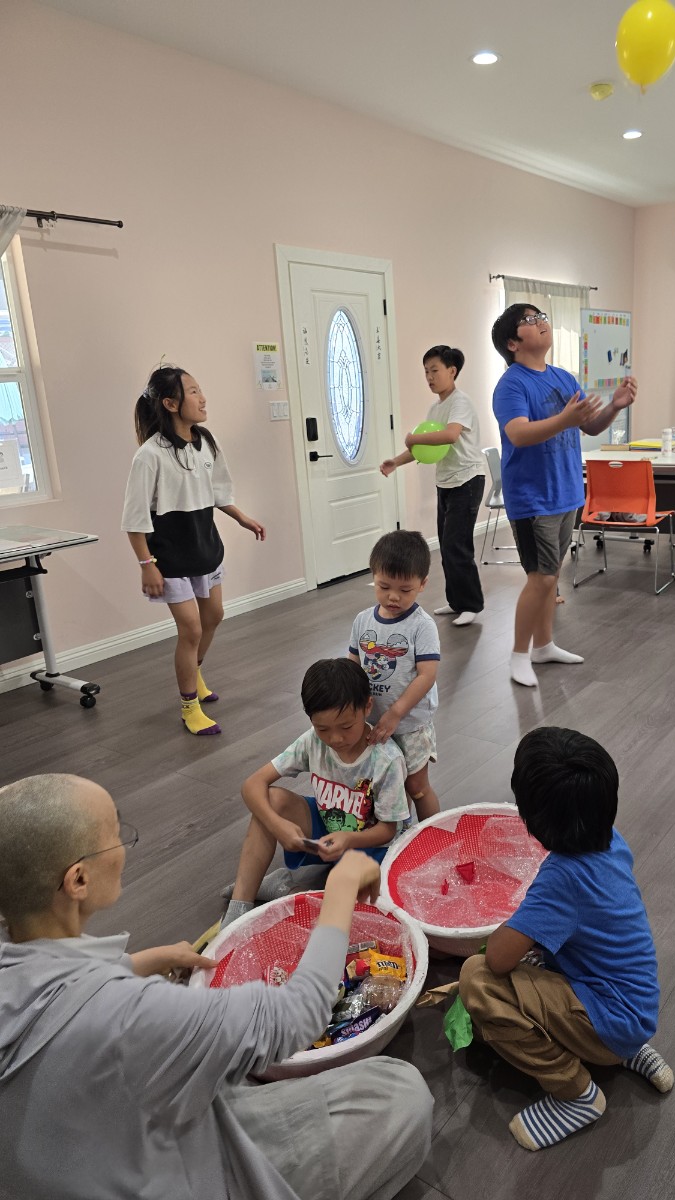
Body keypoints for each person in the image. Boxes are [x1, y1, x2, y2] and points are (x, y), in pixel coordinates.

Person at [0, 773, 432, 1200]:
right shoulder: (129, 1014)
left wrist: (138, 963)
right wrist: (340, 888)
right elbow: (302, 1011)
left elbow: (58, 999)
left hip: (105, 1152)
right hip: (174, 1171)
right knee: (401, 1092)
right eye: (114, 835)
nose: (123, 846)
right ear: (78, 880)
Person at [459, 727, 673, 1151]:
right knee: (536, 962)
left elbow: (498, 959)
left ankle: (576, 1093)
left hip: (610, 1019)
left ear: (531, 820)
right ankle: (626, 1050)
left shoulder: (562, 878)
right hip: (637, 1006)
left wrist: (517, 924)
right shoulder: (612, 840)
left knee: (477, 979)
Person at [490, 305, 637, 687]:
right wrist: (565, 420)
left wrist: (615, 405)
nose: (541, 322)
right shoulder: (511, 385)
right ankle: (518, 655)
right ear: (512, 343)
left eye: (541, 316)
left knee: (551, 576)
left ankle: (543, 646)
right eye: (529, 320)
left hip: (566, 492)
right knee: (540, 579)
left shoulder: (563, 377)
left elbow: (590, 426)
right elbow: (518, 433)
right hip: (532, 498)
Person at [122, 365, 266, 736]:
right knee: (190, 629)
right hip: (169, 556)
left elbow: (218, 492)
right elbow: (135, 519)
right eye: (193, 392)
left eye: (200, 390)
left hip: (204, 547)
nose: (203, 399)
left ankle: (194, 672)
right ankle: (189, 707)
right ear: (170, 404)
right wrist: (146, 564)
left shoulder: (206, 442)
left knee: (213, 616)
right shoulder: (149, 456)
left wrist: (242, 518)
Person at [221, 658, 409, 929]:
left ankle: (283, 887)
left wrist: (349, 838)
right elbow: (252, 784)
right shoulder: (312, 741)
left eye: (346, 727)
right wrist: (278, 825)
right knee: (272, 800)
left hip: (374, 850)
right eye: (323, 729)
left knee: (361, 913)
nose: (335, 739)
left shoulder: (386, 759)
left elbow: (388, 830)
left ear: (367, 707)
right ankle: (239, 906)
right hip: (328, 830)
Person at [380, 346, 486, 627]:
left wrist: (413, 438)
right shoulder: (435, 407)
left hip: (467, 480)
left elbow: (450, 436)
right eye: (426, 371)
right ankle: (456, 601)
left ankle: (471, 604)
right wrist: (396, 462)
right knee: (446, 545)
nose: (429, 377)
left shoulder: (460, 402)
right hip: (447, 481)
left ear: (452, 371)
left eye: (434, 370)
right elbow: (425, 447)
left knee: (457, 545)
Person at [349, 530, 441, 821]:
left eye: (405, 589)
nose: (393, 596)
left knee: (416, 787)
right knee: (387, 787)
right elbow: (352, 666)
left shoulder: (422, 626)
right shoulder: (362, 621)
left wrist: (396, 713)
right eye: (384, 586)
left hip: (409, 724)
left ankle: (433, 837)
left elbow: (426, 676)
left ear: (422, 584)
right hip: (373, 722)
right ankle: (400, 836)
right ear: (373, 576)